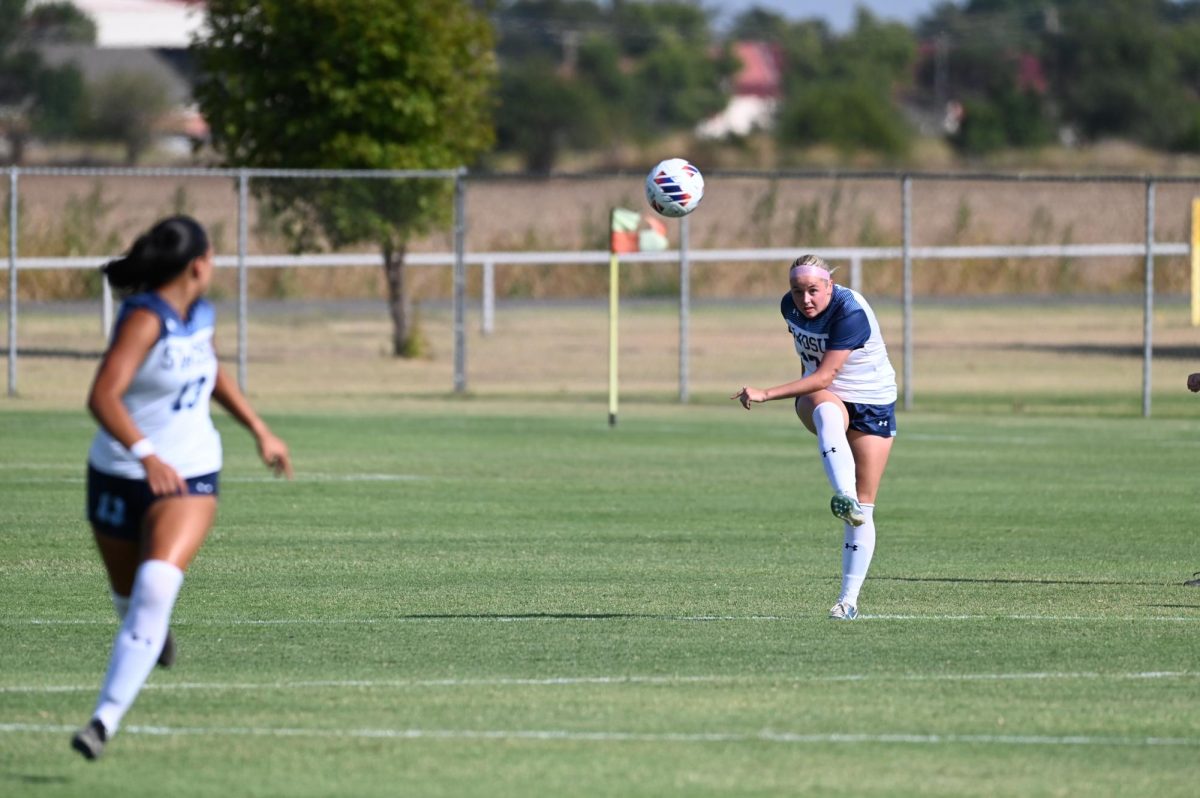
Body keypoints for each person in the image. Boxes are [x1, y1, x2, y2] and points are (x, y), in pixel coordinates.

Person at [71, 215, 292, 760]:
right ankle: (151, 638)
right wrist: (146, 456)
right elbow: (102, 396)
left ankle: (103, 721)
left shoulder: (201, 314)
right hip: (120, 476)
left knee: (154, 589)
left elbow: (210, 371)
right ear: (199, 263)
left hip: (191, 474)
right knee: (129, 599)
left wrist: (259, 429)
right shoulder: (144, 318)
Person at [732, 254, 897, 621]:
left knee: (864, 509)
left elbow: (824, 374)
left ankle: (847, 602)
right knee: (823, 409)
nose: (805, 299)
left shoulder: (849, 313)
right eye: (797, 291)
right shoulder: (788, 308)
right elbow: (818, 380)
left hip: (873, 403)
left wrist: (765, 393)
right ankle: (843, 494)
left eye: (812, 291)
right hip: (828, 398)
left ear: (830, 287)